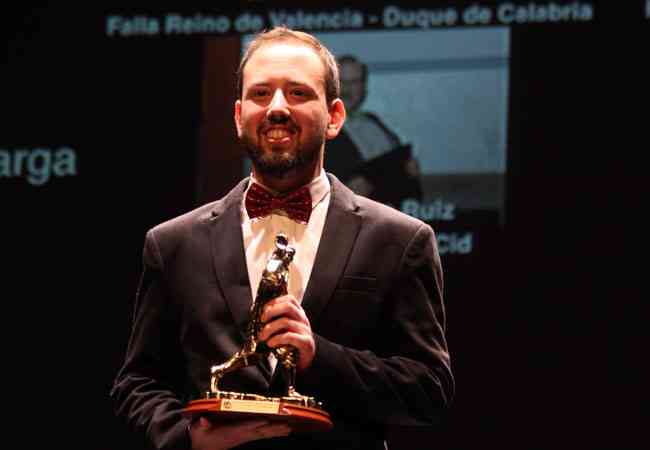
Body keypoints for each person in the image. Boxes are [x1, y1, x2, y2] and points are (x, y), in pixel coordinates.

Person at [111, 26, 453, 450]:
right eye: (260, 93)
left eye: (298, 93)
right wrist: (186, 439)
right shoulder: (173, 244)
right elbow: (137, 384)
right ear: (239, 116)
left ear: (335, 117)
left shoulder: (400, 240)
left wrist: (320, 356)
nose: (276, 107)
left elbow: (428, 390)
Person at [326, 55, 423, 209]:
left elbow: (396, 161)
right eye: (342, 82)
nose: (347, 89)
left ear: (363, 88)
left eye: (354, 82)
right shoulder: (319, 128)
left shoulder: (372, 120)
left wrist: (408, 169)